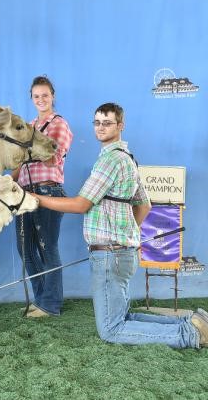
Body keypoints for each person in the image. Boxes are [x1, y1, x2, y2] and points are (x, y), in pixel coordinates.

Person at [33, 102, 208, 348]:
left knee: (112, 329)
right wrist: (125, 235)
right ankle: (193, 322)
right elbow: (144, 206)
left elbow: (81, 204)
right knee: (123, 317)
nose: (100, 127)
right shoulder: (128, 159)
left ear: (120, 125)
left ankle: (191, 335)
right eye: (97, 122)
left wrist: (36, 199)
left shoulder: (110, 161)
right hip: (122, 252)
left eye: (107, 122)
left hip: (110, 255)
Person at [11, 76, 73, 318]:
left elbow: (52, 158)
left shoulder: (59, 124)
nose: (41, 100)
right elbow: (19, 162)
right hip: (25, 193)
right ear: (32, 98)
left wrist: (29, 148)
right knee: (25, 249)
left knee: (47, 246)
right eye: (36, 96)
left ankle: (51, 304)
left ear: (53, 96)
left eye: (45, 95)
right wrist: (9, 181)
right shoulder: (29, 126)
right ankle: (40, 299)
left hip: (48, 190)